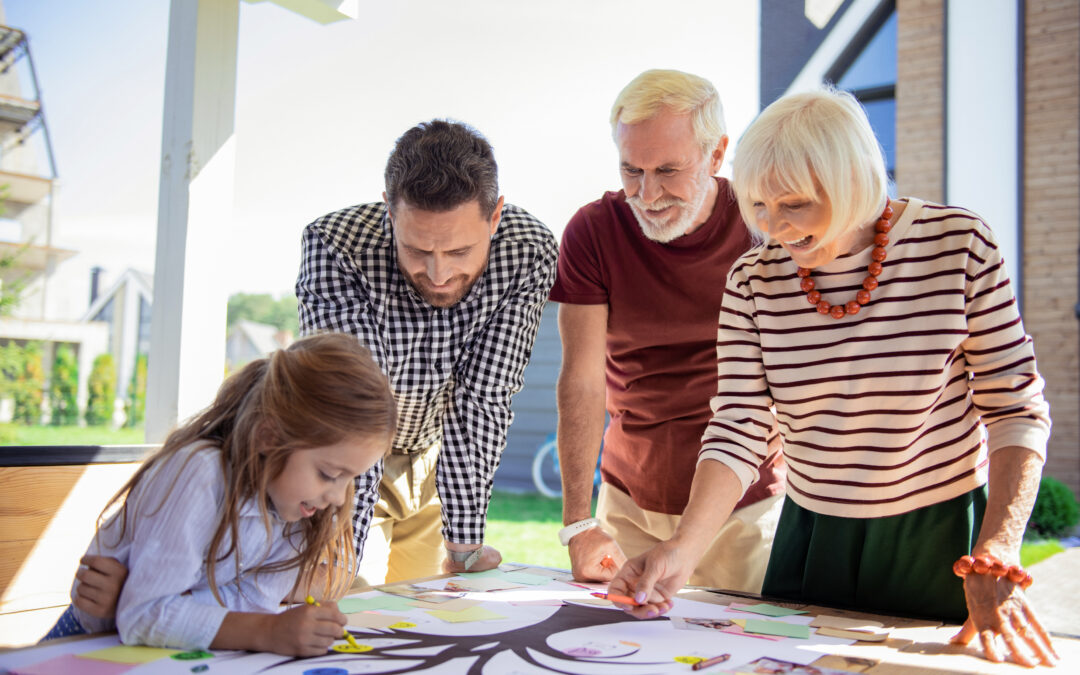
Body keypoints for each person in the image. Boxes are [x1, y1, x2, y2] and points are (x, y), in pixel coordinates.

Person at [608, 88, 1058, 668]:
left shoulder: (959, 246)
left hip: (939, 536)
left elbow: (1016, 408)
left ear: (851, 181)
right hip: (813, 532)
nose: (774, 228)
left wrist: (997, 544)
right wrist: (683, 549)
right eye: (759, 207)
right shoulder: (753, 281)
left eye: (793, 204)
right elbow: (739, 428)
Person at [550, 69, 784, 591]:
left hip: (745, 504)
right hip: (628, 501)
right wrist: (578, 523)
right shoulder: (592, 231)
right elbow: (581, 382)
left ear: (718, 154)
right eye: (631, 169)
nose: (647, 193)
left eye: (668, 171)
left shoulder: (762, 227)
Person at [297, 119, 558, 584]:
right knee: (348, 598)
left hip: (442, 462)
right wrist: (334, 554)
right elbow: (352, 408)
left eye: (459, 251)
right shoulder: (335, 247)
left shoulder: (528, 250)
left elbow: (485, 396)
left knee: (422, 615)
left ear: (495, 217)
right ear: (390, 213)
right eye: (417, 250)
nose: (438, 274)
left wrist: (465, 544)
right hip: (348, 460)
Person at [42, 333, 397, 656]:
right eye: (329, 475)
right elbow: (144, 616)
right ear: (270, 437)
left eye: (349, 479)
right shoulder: (199, 472)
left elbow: (250, 602)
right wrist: (269, 630)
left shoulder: (299, 509)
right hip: (83, 647)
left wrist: (142, 604)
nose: (337, 498)